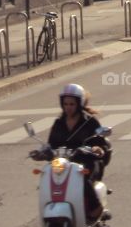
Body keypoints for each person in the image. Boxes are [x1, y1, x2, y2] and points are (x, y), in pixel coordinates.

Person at [46, 83, 111, 217]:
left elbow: (100, 141)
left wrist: (97, 148)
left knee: (80, 175)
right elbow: (51, 144)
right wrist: (42, 152)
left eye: (72, 104)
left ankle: (95, 207)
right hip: (64, 162)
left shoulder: (89, 122)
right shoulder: (59, 123)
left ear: (79, 104)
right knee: (48, 176)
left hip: (88, 161)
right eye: (66, 104)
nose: (68, 107)